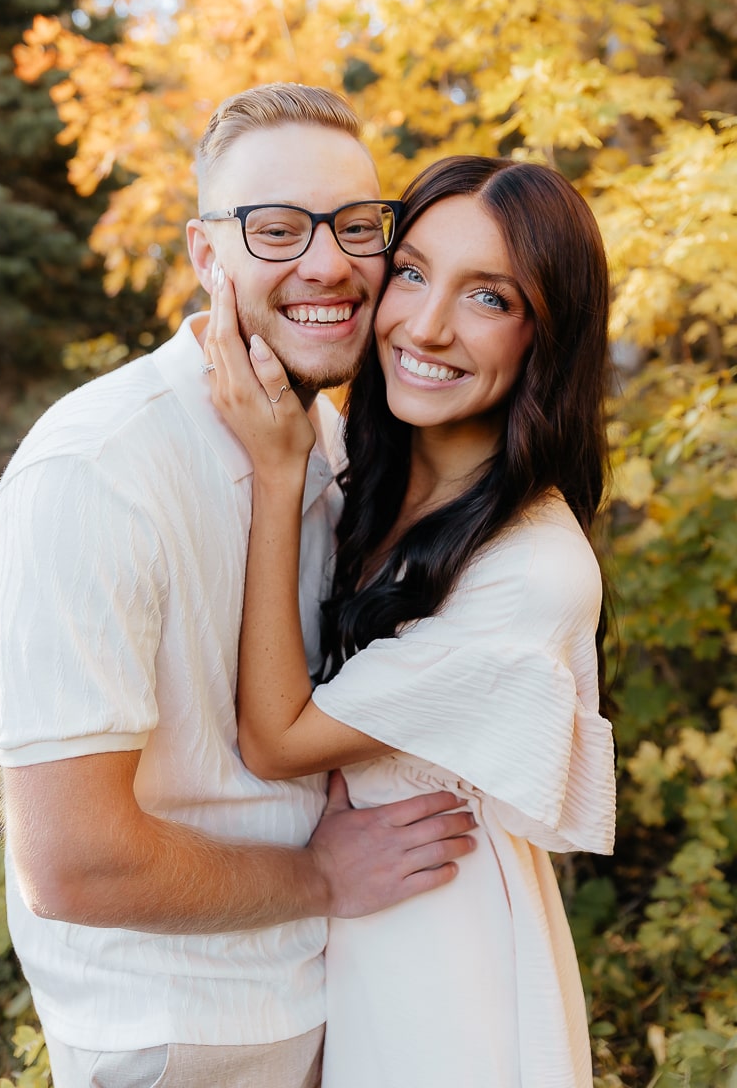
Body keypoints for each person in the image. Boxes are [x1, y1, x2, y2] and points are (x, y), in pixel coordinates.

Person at [0, 84, 477, 1088]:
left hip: (328, 1001)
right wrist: (319, 874)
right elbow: (71, 860)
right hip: (179, 1040)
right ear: (208, 258)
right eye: (278, 229)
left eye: (355, 225)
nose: (329, 262)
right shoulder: (95, 466)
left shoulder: (329, 445)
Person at [206, 154, 618, 1088]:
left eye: (490, 298)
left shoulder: (535, 567)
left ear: (545, 338)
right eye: (414, 273)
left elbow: (277, 739)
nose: (425, 327)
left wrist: (275, 475)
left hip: (448, 962)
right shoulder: (368, 468)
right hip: (353, 947)